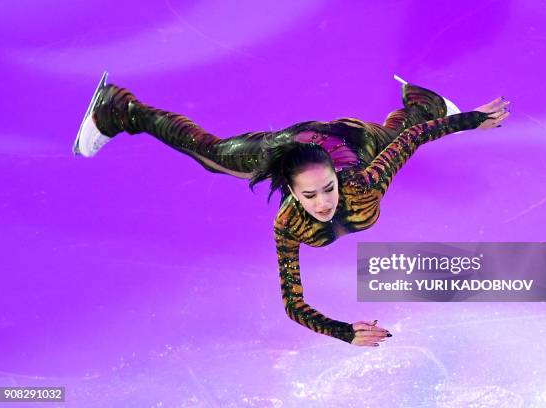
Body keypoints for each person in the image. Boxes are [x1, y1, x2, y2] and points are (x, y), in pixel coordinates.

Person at [73, 72, 510, 346]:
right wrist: (343, 332)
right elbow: (294, 305)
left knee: (390, 134)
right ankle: (120, 108)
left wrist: (473, 119)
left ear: (337, 179)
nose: (324, 203)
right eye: (310, 196)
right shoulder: (288, 224)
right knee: (210, 155)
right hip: (289, 146)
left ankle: (423, 102)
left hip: (349, 139)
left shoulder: (362, 182)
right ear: (290, 193)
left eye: (327, 190)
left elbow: (412, 141)